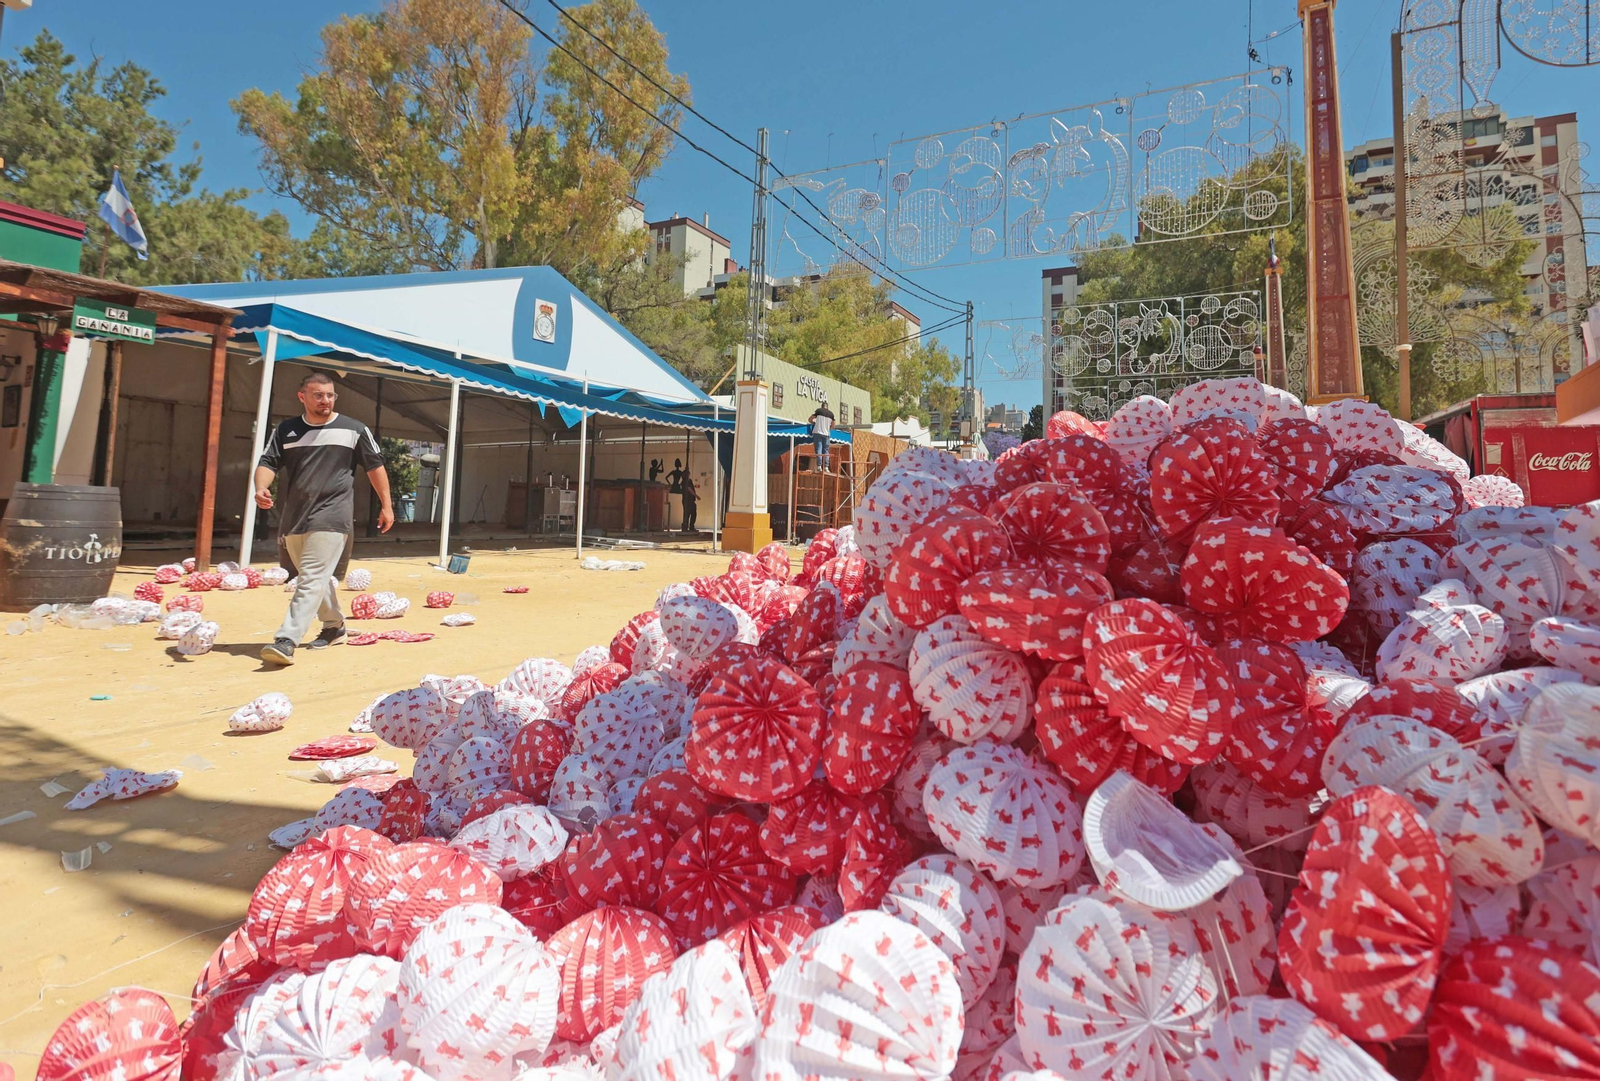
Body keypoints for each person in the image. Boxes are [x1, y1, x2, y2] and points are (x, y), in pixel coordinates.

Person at [254, 371, 392, 666]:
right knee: (312, 578)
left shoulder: (354, 429)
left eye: (330, 395)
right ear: (302, 397)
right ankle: (334, 626)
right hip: (295, 517)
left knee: (312, 577)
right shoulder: (286, 430)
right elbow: (268, 462)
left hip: (333, 513)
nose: (325, 400)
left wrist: (387, 505)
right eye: (318, 395)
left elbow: (375, 467)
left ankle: (286, 640)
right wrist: (261, 487)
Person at [808, 402, 835, 467]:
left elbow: (810, 419)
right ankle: (826, 466)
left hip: (818, 432)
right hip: (826, 434)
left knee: (818, 449)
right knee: (826, 450)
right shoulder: (831, 414)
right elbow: (833, 426)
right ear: (827, 407)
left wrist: (814, 423)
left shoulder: (818, 411)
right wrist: (828, 428)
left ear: (822, 406)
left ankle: (819, 466)